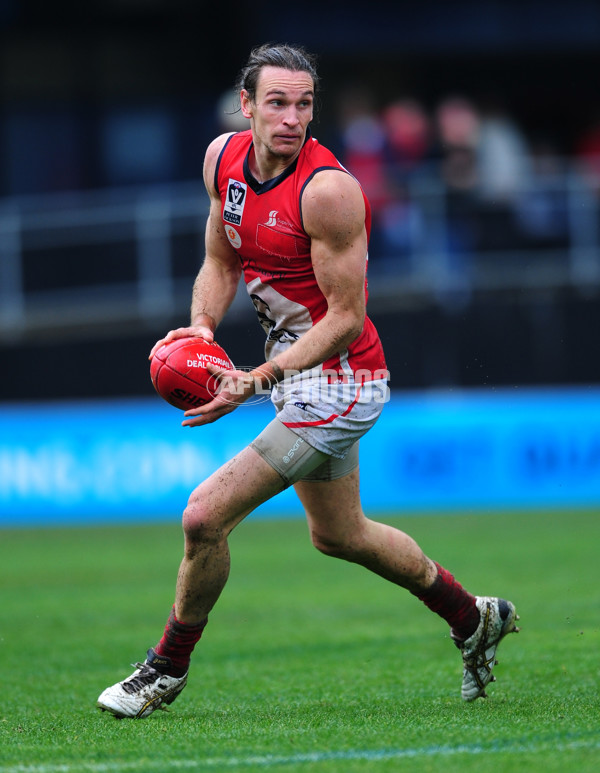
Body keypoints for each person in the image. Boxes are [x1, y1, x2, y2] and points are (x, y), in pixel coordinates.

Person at [97, 43, 519, 719]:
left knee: (204, 515)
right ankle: (473, 616)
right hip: (297, 377)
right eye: (277, 102)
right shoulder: (222, 160)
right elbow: (218, 257)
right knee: (340, 534)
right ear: (247, 106)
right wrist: (202, 327)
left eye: (305, 104)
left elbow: (347, 321)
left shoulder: (329, 191)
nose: (292, 118)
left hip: (343, 380)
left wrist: (256, 379)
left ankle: (164, 670)